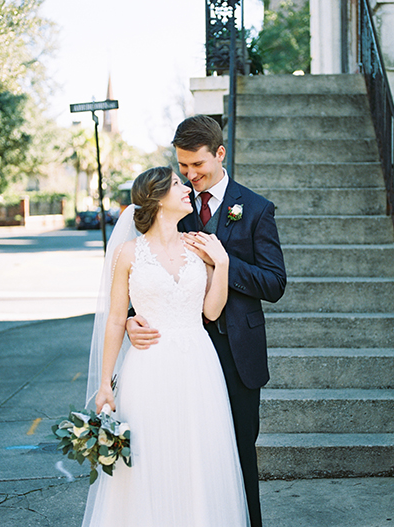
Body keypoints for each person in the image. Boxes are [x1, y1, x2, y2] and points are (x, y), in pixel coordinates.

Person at [127, 115, 287, 527]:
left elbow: (274, 282)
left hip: (236, 354)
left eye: (196, 165)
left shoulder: (255, 209)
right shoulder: (172, 201)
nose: (189, 175)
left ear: (219, 153)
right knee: (176, 453)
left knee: (235, 455)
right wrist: (131, 318)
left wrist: (224, 261)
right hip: (176, 352)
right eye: (182, 166)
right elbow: (144, 268)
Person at [81, 167, 250, 526]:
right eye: (177, 183)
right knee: (151, 457)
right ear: (157, 198)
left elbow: (212, 310)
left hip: (197, 366)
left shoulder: (197, 244)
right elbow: (114, 318)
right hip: (148, 368)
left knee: (197, 457)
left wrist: (221, 263)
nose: (186, 187)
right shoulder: (128, 253)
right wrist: (104, 384)